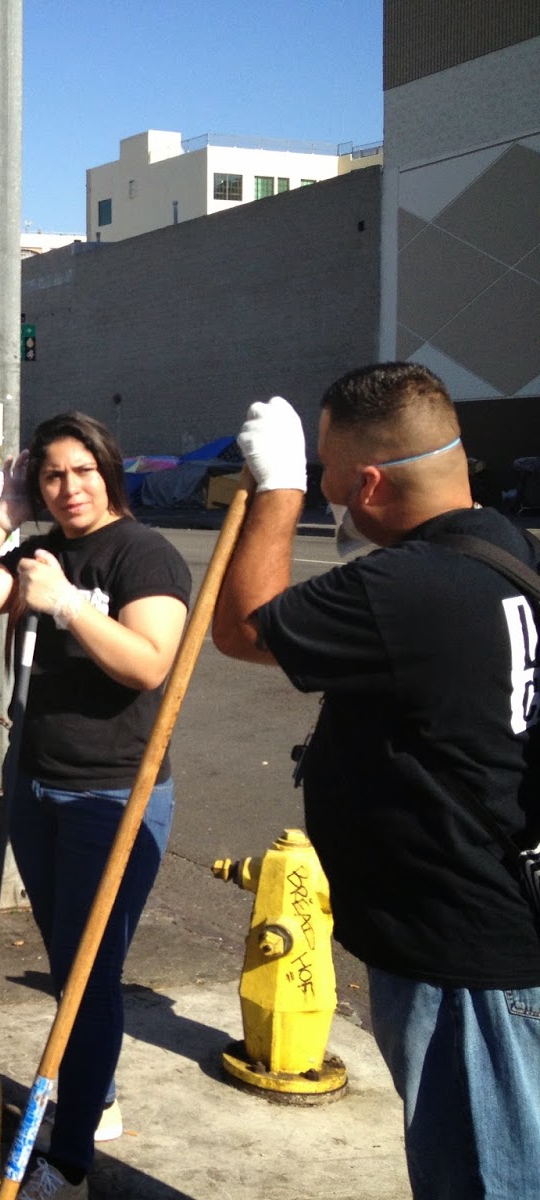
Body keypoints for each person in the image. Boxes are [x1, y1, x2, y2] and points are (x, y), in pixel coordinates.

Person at [212, 364, 540, 1199]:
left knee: (479, 1177)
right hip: (489, 920)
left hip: (463, 955)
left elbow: (247, 628)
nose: (323, 486)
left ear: (365, 480)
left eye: (325, 467)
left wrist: (280, 489)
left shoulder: (410, 589)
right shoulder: (498, 546)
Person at [0, 411, 191, 1200]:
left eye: (83, 470)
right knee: (64, 955)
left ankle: (70, 1155)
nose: (69, 488)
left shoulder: (143, 554)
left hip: (111, 794)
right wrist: (5, 516)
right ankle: (95, 1086)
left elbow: (150, 665)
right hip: (38, 787)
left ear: (109, 470)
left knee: (87, 975)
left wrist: (71, 605)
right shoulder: (39, 550)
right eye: (52, 475)